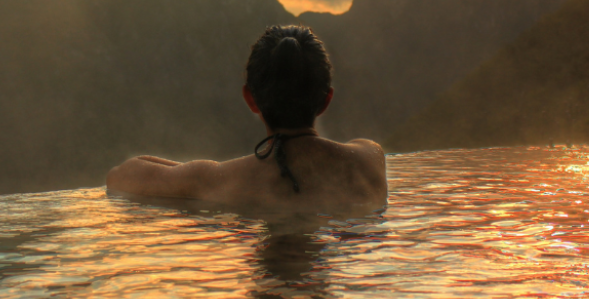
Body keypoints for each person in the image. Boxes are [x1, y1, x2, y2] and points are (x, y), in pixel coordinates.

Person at [106, 25, 387, 212]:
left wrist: (195, 173)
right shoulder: (369, 160)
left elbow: (120, 175)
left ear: (250, 99)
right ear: (326, 100)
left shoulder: (222, 182)